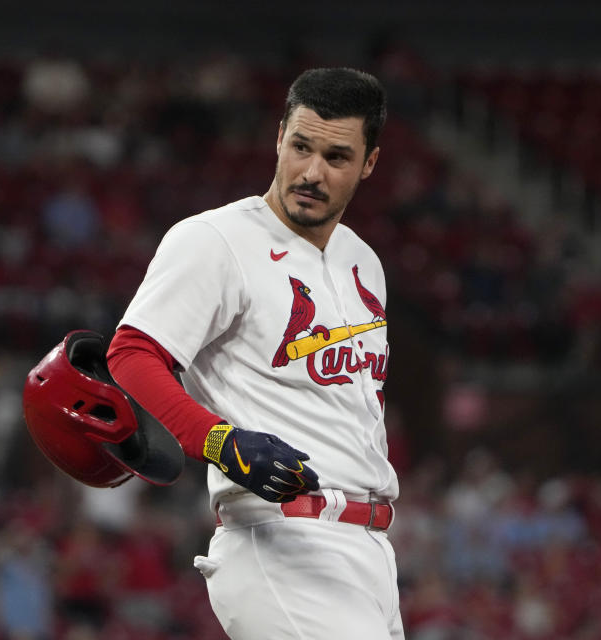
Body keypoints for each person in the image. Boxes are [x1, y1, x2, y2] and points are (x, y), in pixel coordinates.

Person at [105, 68, 402, 639]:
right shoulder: (215, 240)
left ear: (369, 163)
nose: (312, 172)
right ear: (279, 138)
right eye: (301, 146)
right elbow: (133, 353)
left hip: (370, 551)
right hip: (281, 541)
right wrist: (221, 441)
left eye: (337, 157)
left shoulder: (364, 261)